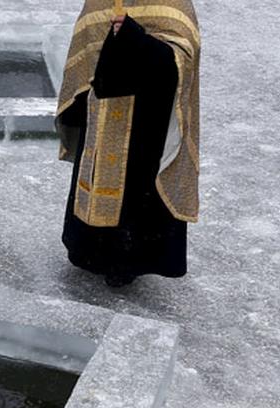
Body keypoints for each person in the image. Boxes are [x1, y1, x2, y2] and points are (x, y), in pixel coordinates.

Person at [56, 0, 202, 287]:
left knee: (135, 201)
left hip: (146, 122)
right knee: (95, 178)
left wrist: (134, 38)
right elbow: (86, 42)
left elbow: (180, 60)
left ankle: (126, 264)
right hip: (99, 112)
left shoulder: (173, 3)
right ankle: (87, 251)